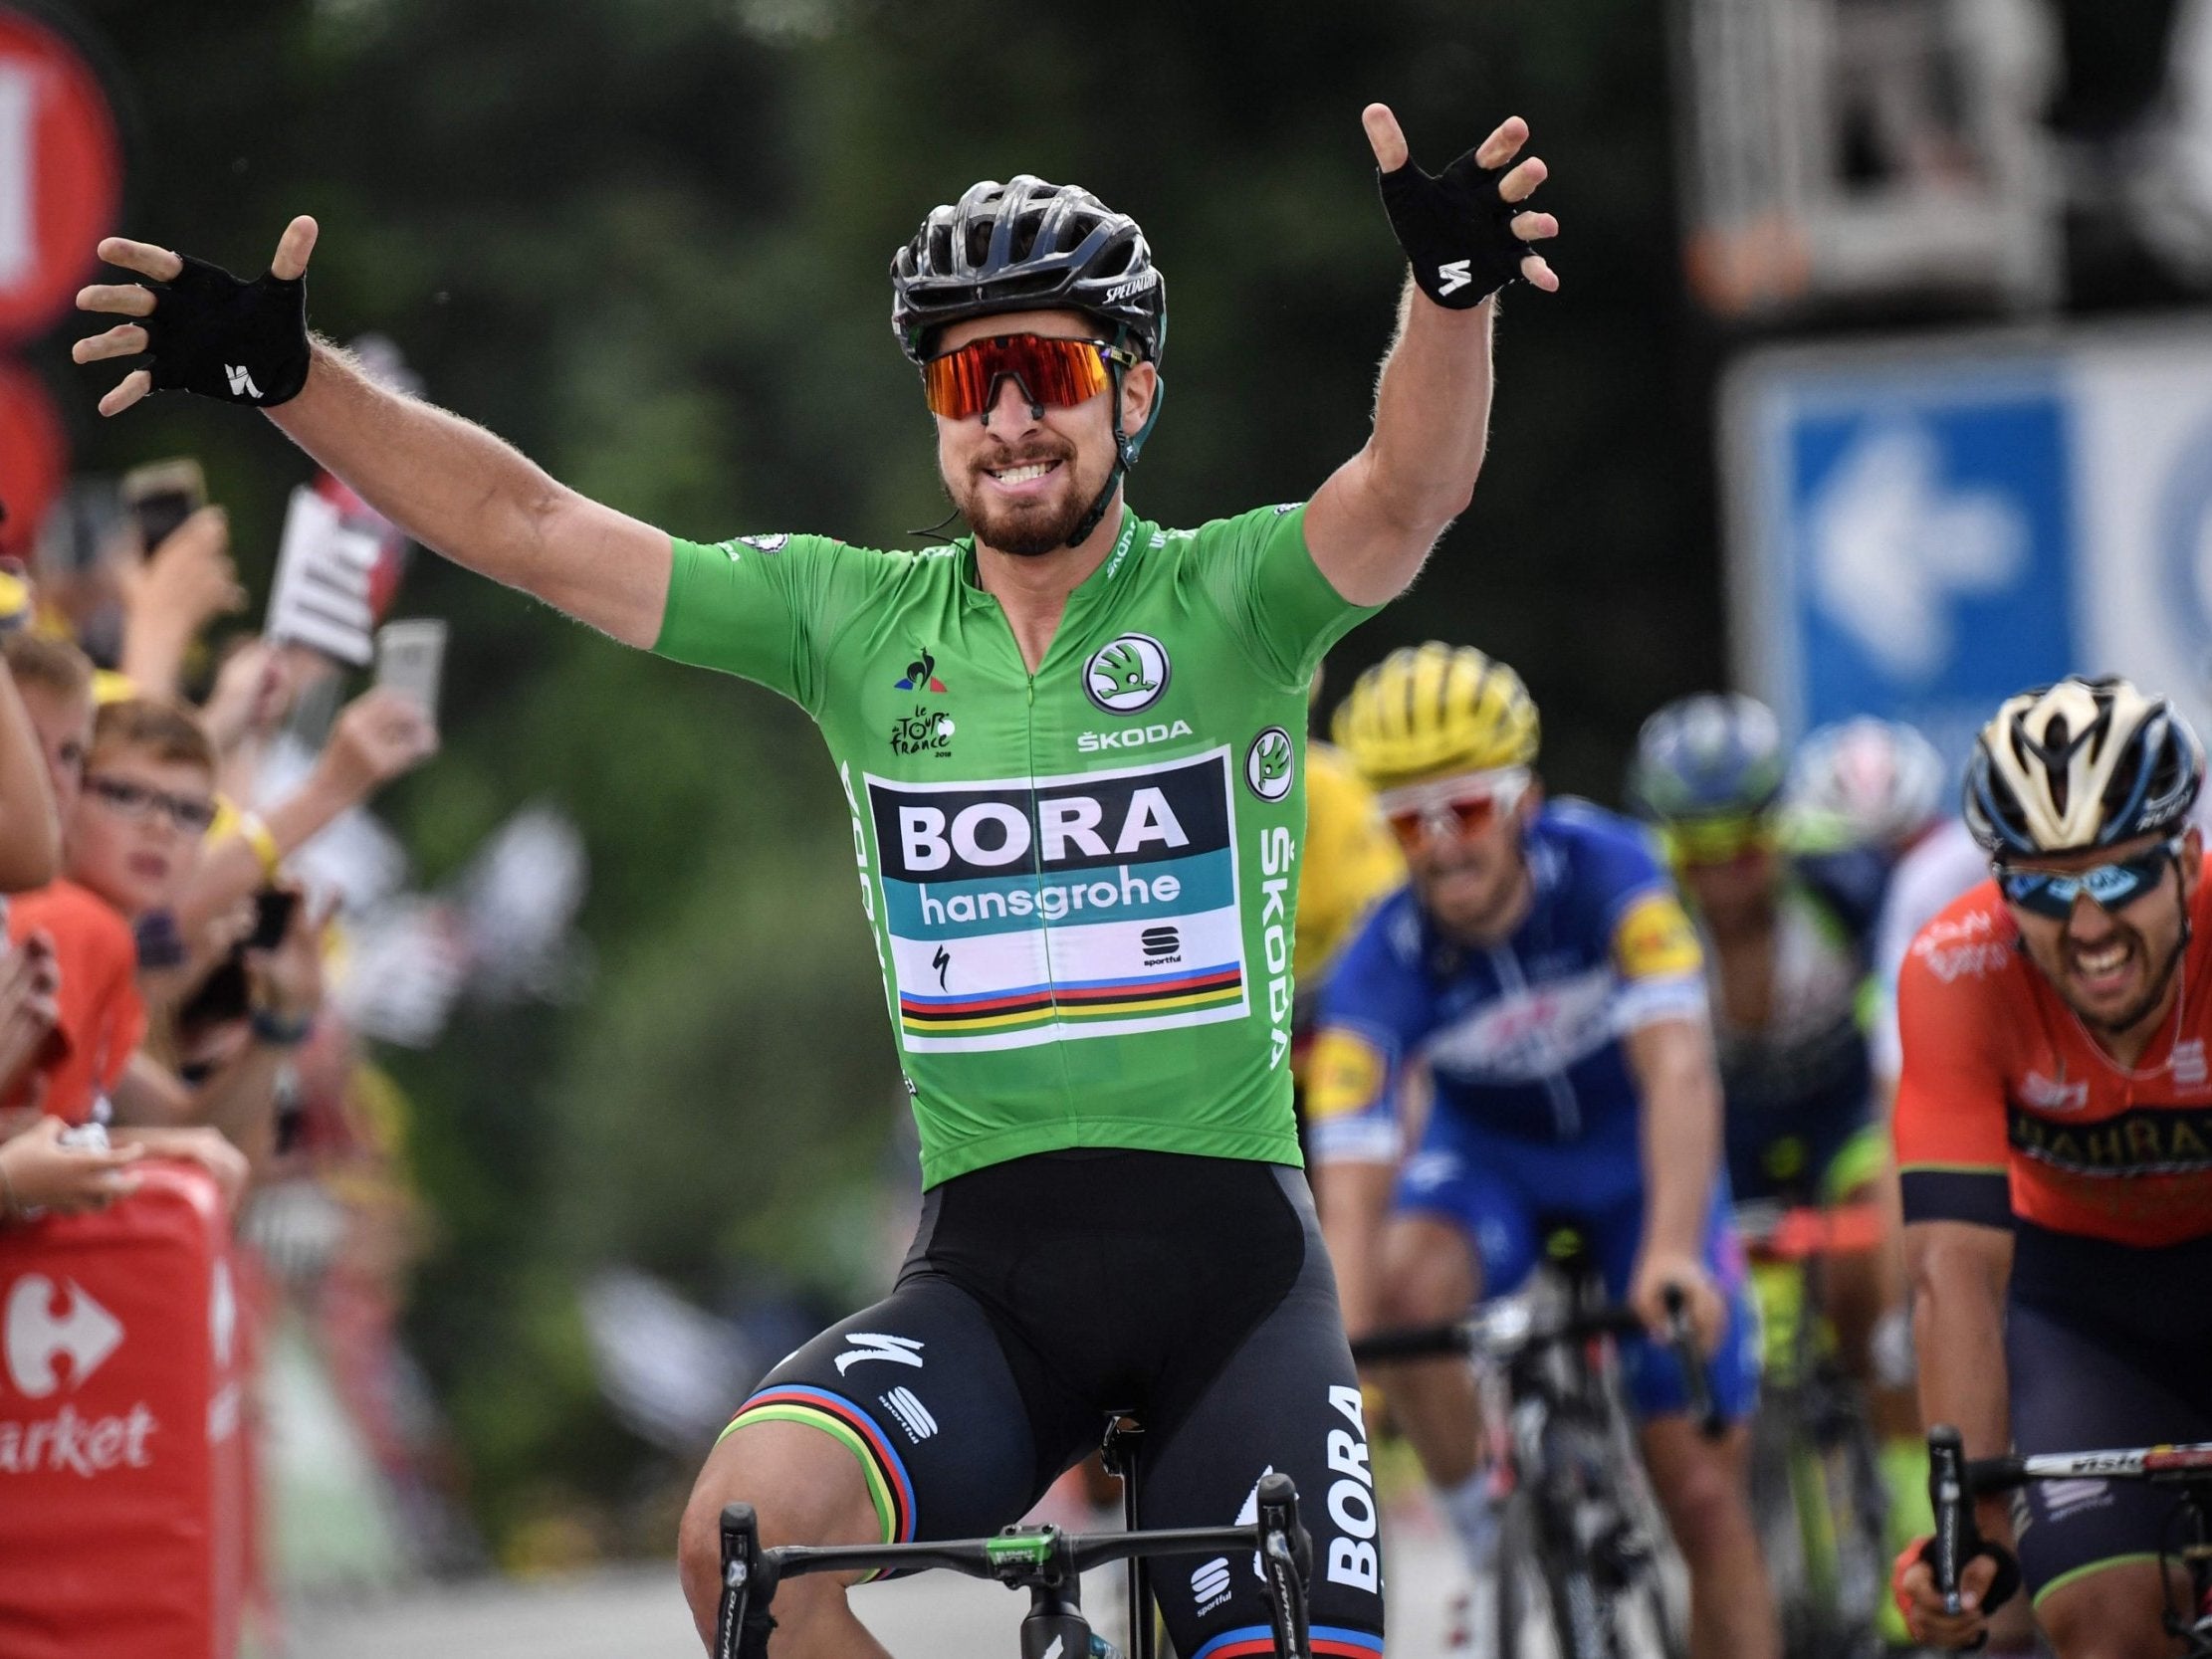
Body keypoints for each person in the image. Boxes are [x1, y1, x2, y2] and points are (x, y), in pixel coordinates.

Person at [76, 104, 1561, 1657]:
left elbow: (1406, 493)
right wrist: (295, 382)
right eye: (964, 382)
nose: (1008, 421)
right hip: (992, 1280)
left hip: (1233, 1280)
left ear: (1131, 389)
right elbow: (530, 528)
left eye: (1044, 373)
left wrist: (1449, 300)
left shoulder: (1235, 599)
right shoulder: (847, 621)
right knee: (745, 1541)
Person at [1309, 643, 1776, 1659]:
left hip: (1637, 1164)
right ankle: (1483, 1528)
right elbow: (1351, 1193)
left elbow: (1680, 1075)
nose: (1439, 849)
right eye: (1407, 821)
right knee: (1397, 1287)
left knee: (1701, 1492)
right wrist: (1339, 1371)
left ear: (1524, 798)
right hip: (1491, 1171)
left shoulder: (1615, 871)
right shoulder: (1374, 964)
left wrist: (1664, 1253)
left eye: (1464, 811)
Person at [1890, 676, 2212, 1659]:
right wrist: (1971, 1530)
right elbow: (1954, 1272)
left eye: (2115, 878)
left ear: (2185, 858)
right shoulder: (1954, 969)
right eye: (2039, 887)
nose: (2084, 929)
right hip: (2078, 1311)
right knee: (2098, 1626)